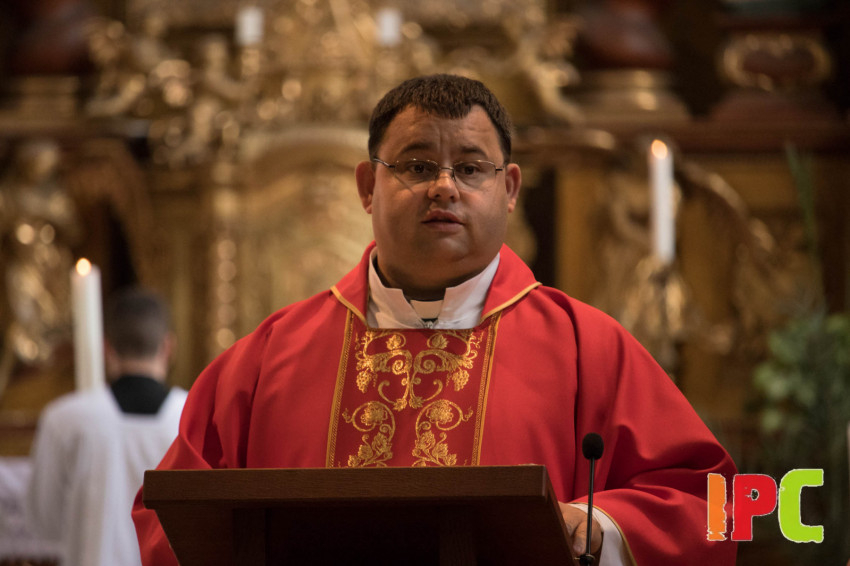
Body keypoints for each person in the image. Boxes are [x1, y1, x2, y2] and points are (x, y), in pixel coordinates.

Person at [132, 74, 737, 564]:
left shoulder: (588, 348)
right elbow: (168, 513)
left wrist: (600, 525)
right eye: (417, 166)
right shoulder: (270, 357)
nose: (444, 187)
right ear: (367, 186)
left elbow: (714, 503)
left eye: (470, 169)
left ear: (510, 189)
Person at [27, 287, 188, 566]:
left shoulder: (65, 419)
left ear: (107, 348)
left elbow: (44, 520)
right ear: (168, 346)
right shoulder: (190, 417)